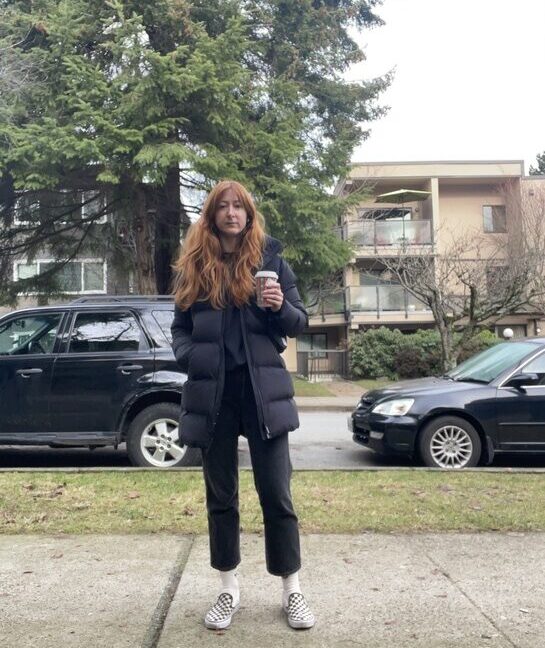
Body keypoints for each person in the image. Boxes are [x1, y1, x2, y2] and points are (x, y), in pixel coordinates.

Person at [170, 179, 315, 631]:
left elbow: (299, 322)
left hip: (262, 392)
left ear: (249, 215)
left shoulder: (272, 262)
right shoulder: (193, 265)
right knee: (221, 498)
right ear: (212, 214)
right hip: (213, 394)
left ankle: (292, 591)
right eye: (223, 206)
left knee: (276, 493)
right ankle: (228, 588)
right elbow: (178, 329)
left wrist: (276, 307)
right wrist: (193, 356)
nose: (232, 213)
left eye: (240, 206)